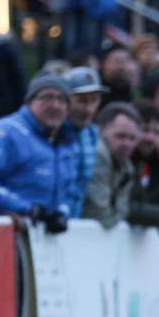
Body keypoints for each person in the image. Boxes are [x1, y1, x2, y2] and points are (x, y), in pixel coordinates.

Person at [0, 71, 76, 233]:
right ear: (30, 101)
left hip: (38, 246)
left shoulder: (66, 142)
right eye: (47, 97)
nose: (55, 105)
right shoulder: (7, 131)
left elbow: (69, 191)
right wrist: (25, 208)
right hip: (3, 239)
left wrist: (61, 213)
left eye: (62, 100)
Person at [82, 102, 142, 229]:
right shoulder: (98, 154)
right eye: (120, 136)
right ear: (101, 129)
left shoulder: (127, 166)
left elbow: (121, 212)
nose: (127, 144)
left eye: (132, 138)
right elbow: (101, 215)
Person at [63, 66, 110, 217]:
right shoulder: (52, 132)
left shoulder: (92, 134)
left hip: (74, 225)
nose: (88, 109)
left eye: (94, 101)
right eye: (82, 101)